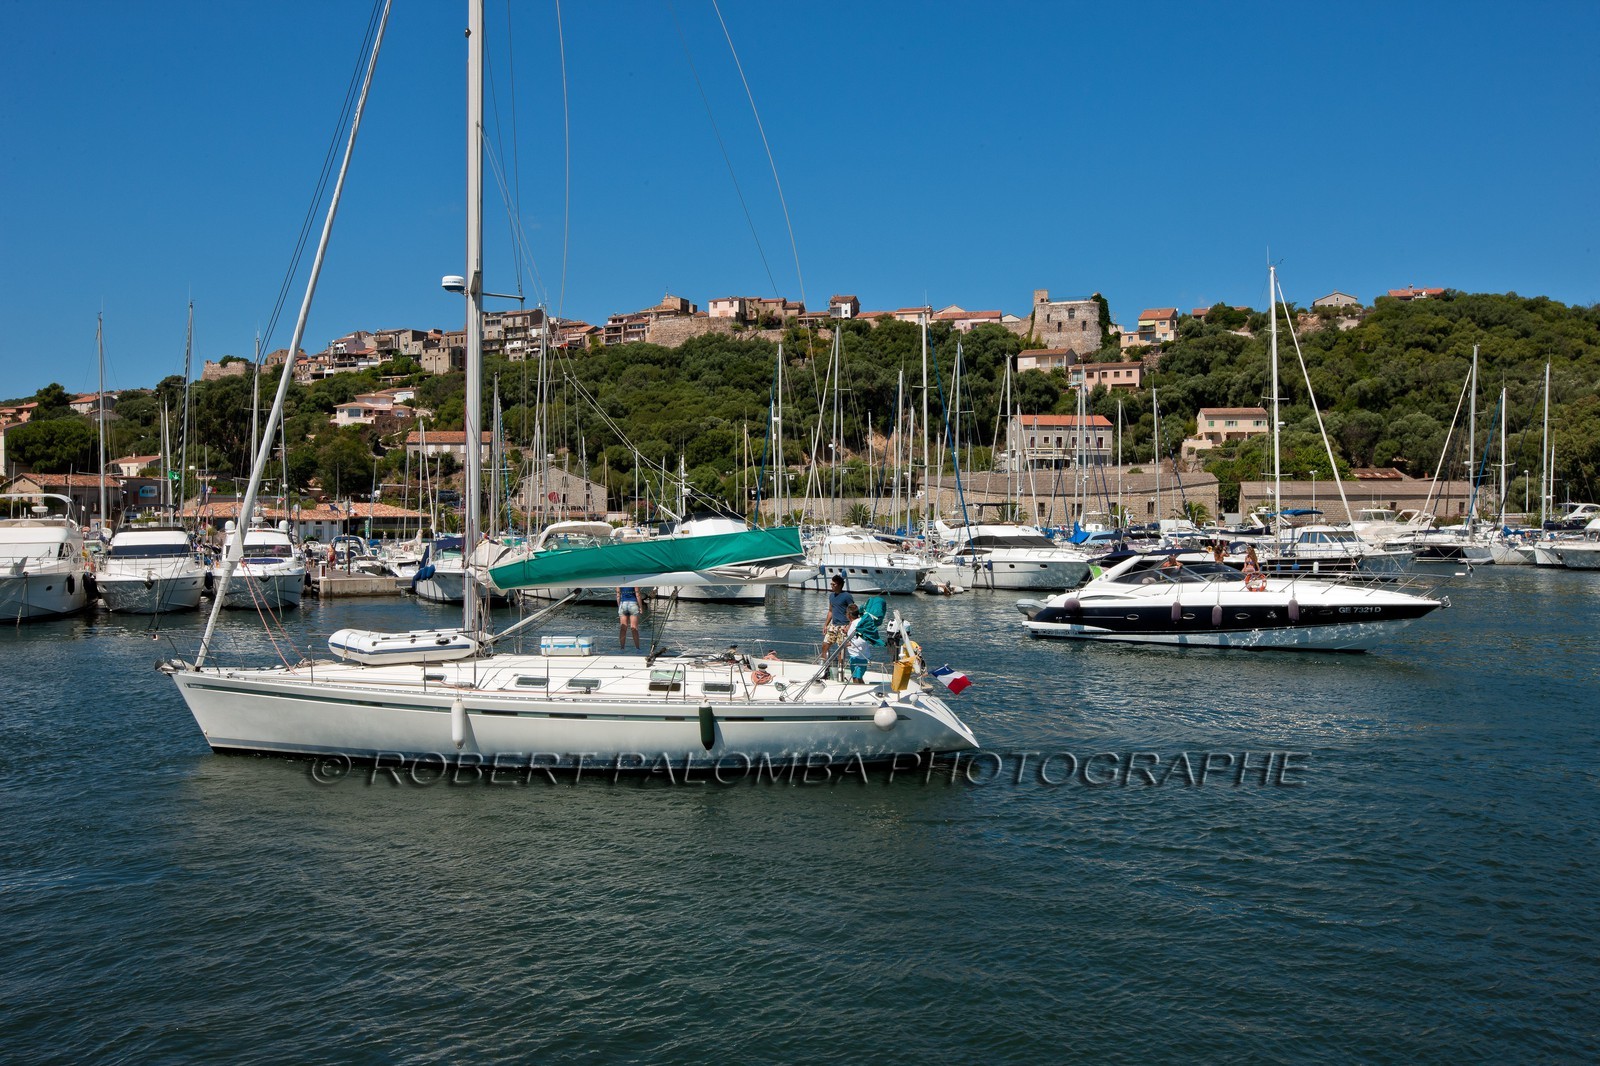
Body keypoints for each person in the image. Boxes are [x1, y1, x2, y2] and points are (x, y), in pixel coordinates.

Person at [820, 574, 855, 669]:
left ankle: (840, 669)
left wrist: (850, 625)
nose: (831, 586)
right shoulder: (831, 596)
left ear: (839, 585)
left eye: (833, 584)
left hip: (844, 626)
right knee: (825, 645)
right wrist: (825, 625)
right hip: (833, 626)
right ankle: (824, 668)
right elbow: (830, 611)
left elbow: (853, 610)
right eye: (831, 584)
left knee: (841, 650)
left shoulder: (847, 596)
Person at [844, 603, 871, 683]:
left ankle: (859, 691)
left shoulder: (856, 624)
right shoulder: (858, 622)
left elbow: (863, 639)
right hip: (857, 655)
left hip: (859, 657)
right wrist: (846, 632)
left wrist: (850, 644)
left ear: (849, 615)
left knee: (856, 679)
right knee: (856, 677)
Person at [617, 586, 644, 650]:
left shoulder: (619, 582)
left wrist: (619, 607)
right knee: (634, 628)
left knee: (623, 628)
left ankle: (622, 648)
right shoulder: (634, 581)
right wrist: (641, 607)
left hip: (623, 603)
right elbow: (638, 595)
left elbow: (618, 596)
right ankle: (637, 648)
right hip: (633, 603)